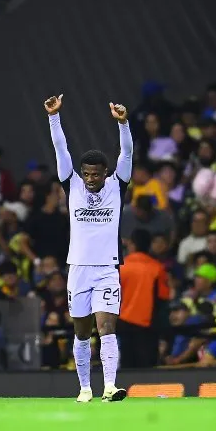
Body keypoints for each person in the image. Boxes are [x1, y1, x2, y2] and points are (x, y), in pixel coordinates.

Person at [44, 94, 132, 403]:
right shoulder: (71, 183)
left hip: (108, 268)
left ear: (106, 173)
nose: (91, 178)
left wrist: (123, 124)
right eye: (87, 174)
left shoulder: (118, 184)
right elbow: (60, 148)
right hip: (78, 268)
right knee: (82, 333)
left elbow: (127, 151)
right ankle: (84, 388)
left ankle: (110, 386)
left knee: (107, 327)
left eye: (96, 173)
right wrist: (54, 117)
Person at [118, 228, 170, 368]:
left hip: (123, 323)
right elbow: (163, 300)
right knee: (147, 370)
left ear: (132, 244)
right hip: (148, 326)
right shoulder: (157, 268)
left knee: (127, 367)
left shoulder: (121, 266)